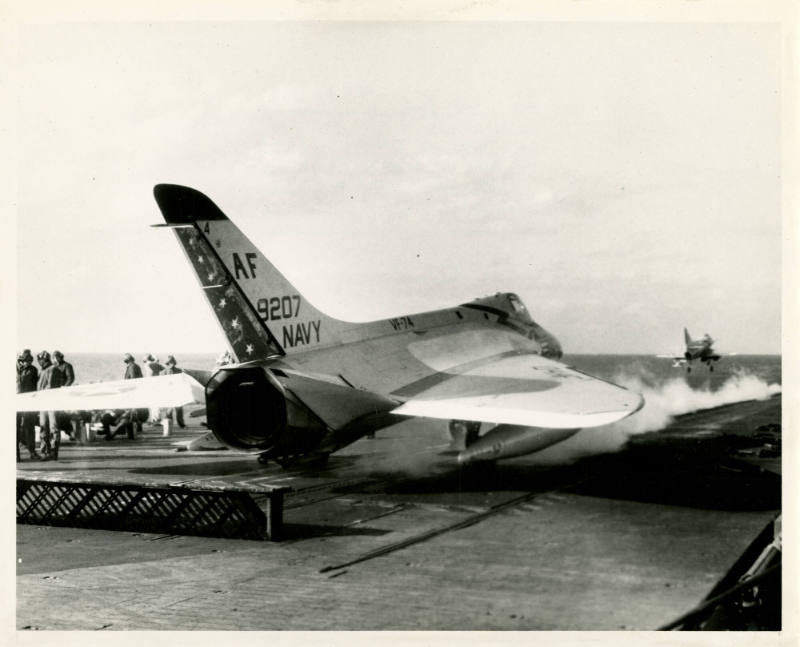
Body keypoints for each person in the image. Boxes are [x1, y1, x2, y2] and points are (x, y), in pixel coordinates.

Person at [37, 351, 64, 460]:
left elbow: (51, 387)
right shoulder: (42, 371)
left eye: (40, 359)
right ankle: (45, 451)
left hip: (51, 402)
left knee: (53, 427)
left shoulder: (52, 370)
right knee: (43, 427)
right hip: (43, 403)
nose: (39, 362)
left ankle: (53, 451)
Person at [16, 351, 41, 461]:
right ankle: (16, 454)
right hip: (14, 401)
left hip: (28, 401)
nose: (28, 363)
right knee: (14, 428)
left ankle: (32, 451)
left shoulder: (33, 370)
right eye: (26, 361)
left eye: (30, 361)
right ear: (21, 361)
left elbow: (36, 386)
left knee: (29, 426)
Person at [51, 350, 76, 439]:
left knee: (63, 414)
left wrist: (64, 388)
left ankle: (69, 431)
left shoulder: (67, 366)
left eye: (55, 357)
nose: (54, 359)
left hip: (63, 393)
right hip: (54, 393)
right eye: (53, 357)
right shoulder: (53, 367)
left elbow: (70, 378)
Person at [161, 355, 186, 428]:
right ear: (167, 363)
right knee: (169, 410)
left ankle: (181, 423)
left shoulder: (179, 371)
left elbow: (182, 381)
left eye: (172, 362)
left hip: (177, 392)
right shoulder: (163, 372)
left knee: (179, 409)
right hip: (169, 393)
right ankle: (169, 424)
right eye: (170, 362)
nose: (171, 364)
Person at [122, 353, 144, 434]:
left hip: (133, 391)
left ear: (129, 359)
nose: (124, 360)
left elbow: (133, 379)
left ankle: (135, 427)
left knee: (133, 409)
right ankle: (137, 426)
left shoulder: (132, 367)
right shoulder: (134, 366)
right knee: (135, 409)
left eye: (125, 358)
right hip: (136, 390)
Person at [142, 354, 164, 423]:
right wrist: (157, 360)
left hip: (150, 385)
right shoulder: (156, 364)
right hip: (157, 385)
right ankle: (157, 418)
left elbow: (150, 373)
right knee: (157, 402)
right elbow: (162, 368)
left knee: (152, 403)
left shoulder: (146, 365)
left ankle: (153, 419)